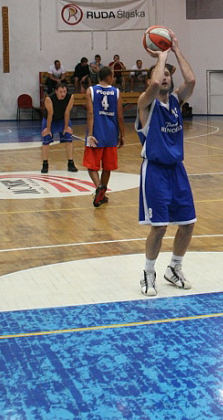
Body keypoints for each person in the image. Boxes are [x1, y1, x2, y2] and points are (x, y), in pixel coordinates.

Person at [136, 35, 196, 297]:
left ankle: (174, 267)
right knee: (159, 227)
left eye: (168, 75)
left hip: (177, 170)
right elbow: (153, 84)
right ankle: (148, 272)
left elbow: (191, 81)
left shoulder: (175, 102)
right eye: (161, 74)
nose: (165, 78)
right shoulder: (146, 104)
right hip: (155, 170)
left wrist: (177, 50)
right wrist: (161, 56)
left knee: (188, 223)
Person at [82, 66, 124, 207]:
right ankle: (102, 194)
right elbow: (120, 115)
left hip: (97, 132)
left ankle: (99, 187)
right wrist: (122, 134)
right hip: (111, 134)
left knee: (91, 166)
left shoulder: (91, 90)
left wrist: (90, 134)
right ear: (109, 77)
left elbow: (90, 113)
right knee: (107, 166)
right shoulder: (116, 92)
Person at [40, 81, 78, 174]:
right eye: (61, 92)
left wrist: (66, 127)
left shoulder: (70, 97)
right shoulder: (49, 98)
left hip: (62, 119)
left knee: (68, 137)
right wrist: (48, 129)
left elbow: (67, 112)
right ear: (56, 91)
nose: (63, 94)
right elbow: (50, 114)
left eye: (64, 91)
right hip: (50, 119)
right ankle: (45, 164)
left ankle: (71, 163)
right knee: (46, 139)